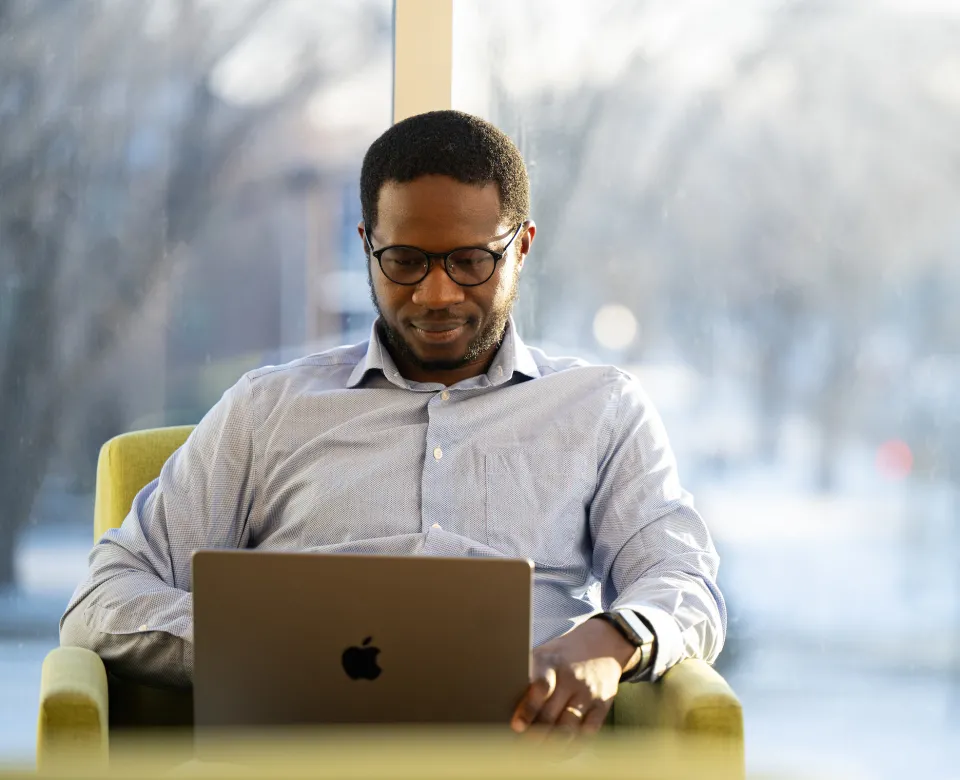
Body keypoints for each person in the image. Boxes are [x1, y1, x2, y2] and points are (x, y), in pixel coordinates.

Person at [61, 110, 725, 737]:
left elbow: (685, 581)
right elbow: (102, 599)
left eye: (471, 261)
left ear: (521, 247)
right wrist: (258, 645)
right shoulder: (266, 411)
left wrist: (608, 640)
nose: (436, 295)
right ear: (366, 246)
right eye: (404, 261)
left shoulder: (602, 408)